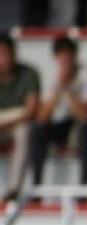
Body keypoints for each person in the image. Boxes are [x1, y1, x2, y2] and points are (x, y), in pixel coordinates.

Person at [30, 35, 87, 197]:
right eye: (61, 57)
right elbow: (42, 117)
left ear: (75, 56)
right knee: (37, 130)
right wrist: (58, 89)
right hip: (64, 126)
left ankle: (84, 189)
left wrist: (66, 90)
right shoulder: (53, 77)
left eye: (68, 57)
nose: (65, 62)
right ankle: (36, 188)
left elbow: (86, 115)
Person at [0, 33, 40, 203]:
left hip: (17, 123)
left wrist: (7, 121)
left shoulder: (28, 73)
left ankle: (14, 189)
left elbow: (31, 111)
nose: (2, 58)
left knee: (24, 131)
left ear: (14, 53)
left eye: (4, 53)